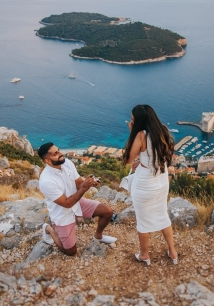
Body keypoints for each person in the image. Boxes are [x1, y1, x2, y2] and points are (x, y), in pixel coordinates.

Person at [38, 142, 117, 256]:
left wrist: (89, 183)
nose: (61, 153)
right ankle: (49, 229)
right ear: (48, 161)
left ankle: (98, 237)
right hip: (62, 213)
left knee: (107, 212)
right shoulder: (46, 181)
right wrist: (84, 188)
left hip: (77, 203)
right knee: (71, 252)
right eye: (55, 153)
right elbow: (66, 203)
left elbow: (79, 184)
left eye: (59, 150)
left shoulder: (67, 163)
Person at [123, 105, 178, 266]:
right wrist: (142, 161)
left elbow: (128, 159)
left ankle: (144, 254)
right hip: (161, 181)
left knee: (143, 221)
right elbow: (155, 154)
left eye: (133, 119)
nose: (131, 121)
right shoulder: (162, 130)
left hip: (145, 185)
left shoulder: (140, 135)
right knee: (163, 215)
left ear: (139, 120)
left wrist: (132, 132)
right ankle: (173, 252)